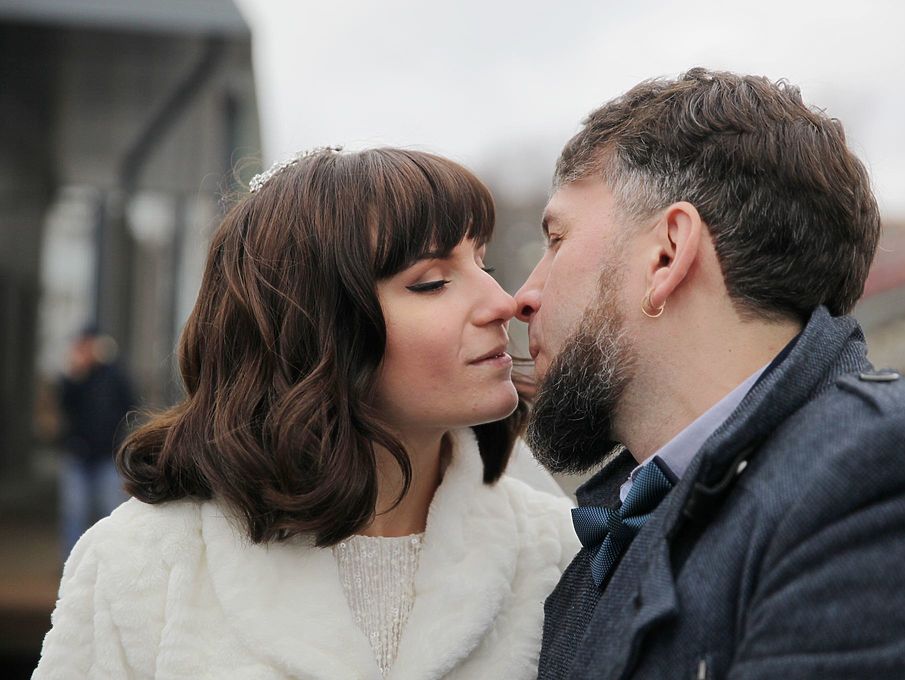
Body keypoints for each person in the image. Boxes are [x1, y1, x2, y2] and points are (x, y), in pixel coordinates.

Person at [515, 68, 905, 679]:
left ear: (667, 255)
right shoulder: (611, 533)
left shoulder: (890, 478)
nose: (522, 297)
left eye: (556, 239)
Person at [35, 147, 579, 679]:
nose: (503, 302)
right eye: (431, 282)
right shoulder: (144, 564)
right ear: (313, 330)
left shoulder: (555, 552)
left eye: (483, 262)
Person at [57, 327, 134, 558]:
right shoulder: (76, 377)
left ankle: (113, 558)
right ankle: (72, 561)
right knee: (74, 512)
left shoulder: (114, 374)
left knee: (112, 512)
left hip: (108, 455)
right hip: (78, 454)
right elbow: (64, 405)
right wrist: (76, 374)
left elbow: (129, 404)